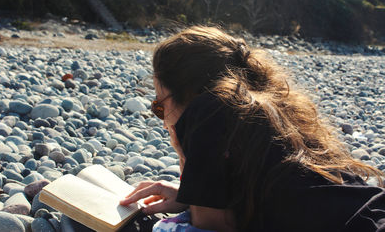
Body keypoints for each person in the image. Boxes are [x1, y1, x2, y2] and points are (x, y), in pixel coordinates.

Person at [120, 26, 385, 232]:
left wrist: (183, 151)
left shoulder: (206, 113)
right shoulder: (268, 116)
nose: (162, 119)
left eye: (159, 106)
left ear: (189, 96)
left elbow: (209, 229)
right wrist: (193, 195)